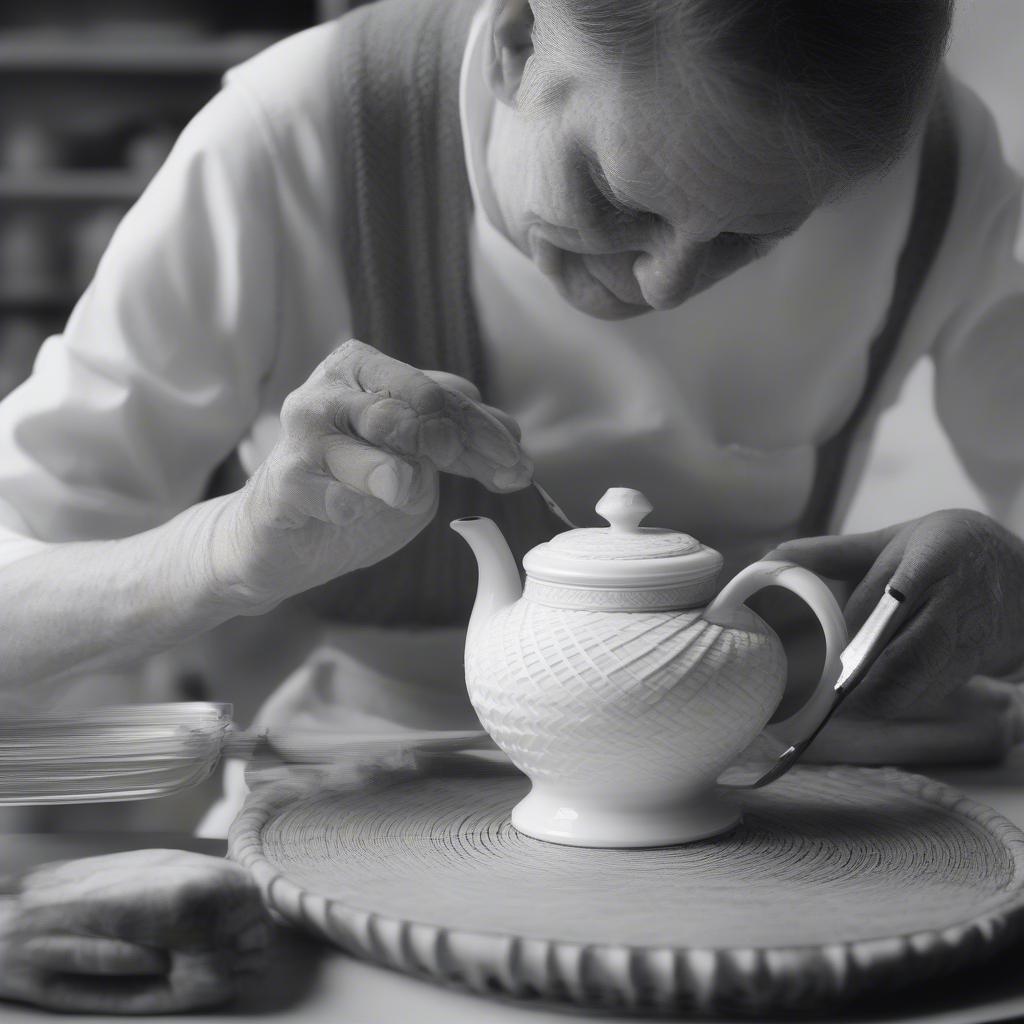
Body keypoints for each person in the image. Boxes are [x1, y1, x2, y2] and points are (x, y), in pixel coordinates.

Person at [2, 0, 1024, 1011]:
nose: (665, 285)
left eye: (753, 237)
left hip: (792, 829)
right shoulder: (293, 134)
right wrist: (224, 550)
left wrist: (1007, 586)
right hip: (357, 817)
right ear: (518, 42)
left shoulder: (937, 160)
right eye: (619, 196)